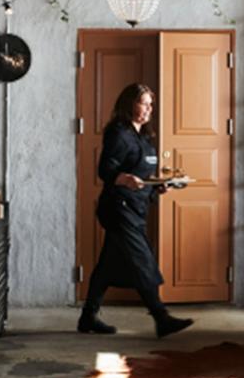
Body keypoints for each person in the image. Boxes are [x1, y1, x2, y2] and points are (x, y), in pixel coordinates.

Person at [78, 84, 193, 338]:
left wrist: (158, 189)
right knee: (142, 259)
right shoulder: (118, 133)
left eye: (151, 104)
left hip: (137, 208)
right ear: (129, 103)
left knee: (107, 266)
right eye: (143, 103)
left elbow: (145, 177)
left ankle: (88, 317)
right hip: (118, 208)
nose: (148, 109)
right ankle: (161, 318)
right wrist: (123, 178)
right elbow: (105, 171)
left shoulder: (144, 136)